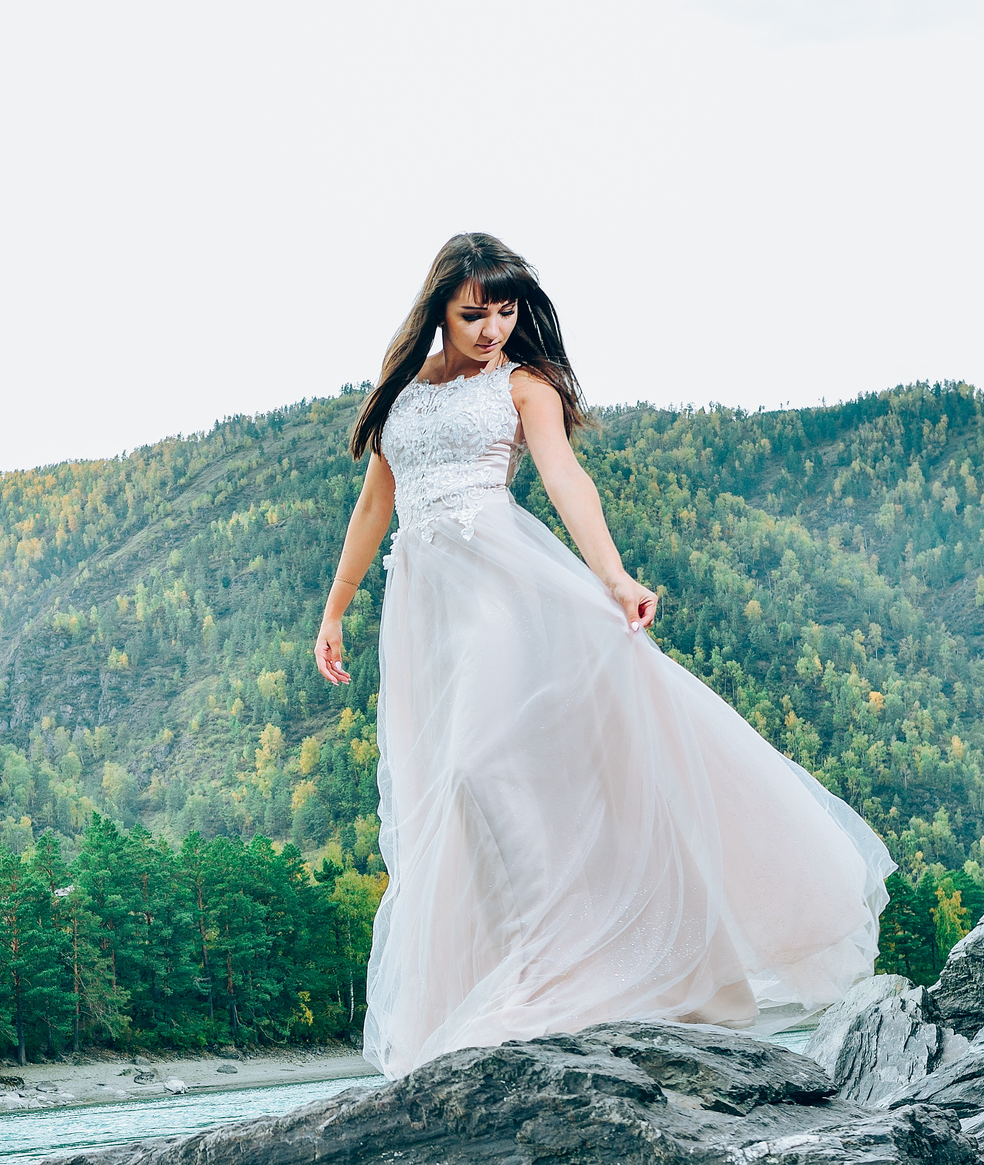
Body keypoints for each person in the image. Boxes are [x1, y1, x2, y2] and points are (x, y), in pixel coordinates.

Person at [314, 233, 893, 1079]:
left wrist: (616, 577)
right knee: (450, 795)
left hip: (504, 591)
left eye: (506, 311)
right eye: (475, 313)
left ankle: (553, 967)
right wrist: (335, 610)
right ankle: (530, 958)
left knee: (480, 768)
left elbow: (564, 478)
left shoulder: (524, 384)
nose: (492, 328)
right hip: (426, 615)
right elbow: (375, 505)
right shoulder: (401, 393)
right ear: (439, 306)